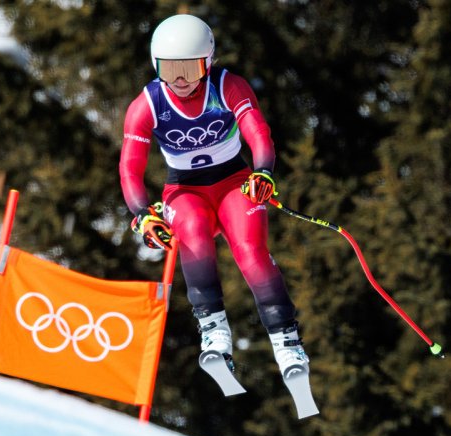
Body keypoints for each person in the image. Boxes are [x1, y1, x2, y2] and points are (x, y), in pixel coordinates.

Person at [119, 14, 309, 377]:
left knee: (250, 248)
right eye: (170, 69)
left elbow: (258, 132)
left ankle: (287, 343)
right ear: (155, 65)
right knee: (191, 231)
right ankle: (213, 330)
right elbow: (130, 168)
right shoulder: (147, 104)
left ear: (207, 63)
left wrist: (263, 171)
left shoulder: (227, 87)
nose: (179, 80)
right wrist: (142, 213)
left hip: (234, 179)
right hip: (184, 189)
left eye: (189, 70)